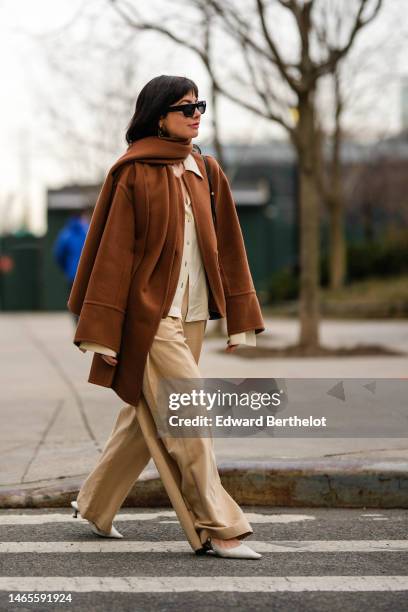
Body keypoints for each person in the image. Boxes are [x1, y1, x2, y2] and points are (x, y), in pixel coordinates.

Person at [67, 75, 265, 559]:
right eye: (185, 107)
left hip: (192, 314)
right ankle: (220, 526)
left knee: (144, 416)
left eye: (201, 105)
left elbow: (228, 248)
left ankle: (93, 504)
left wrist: (239, 317)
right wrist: (103, 328)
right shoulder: (132, 172)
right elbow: (112, 254)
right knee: (190, 414)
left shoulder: (206, 169)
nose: (197, 113)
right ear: (159, 115)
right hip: (150, 318)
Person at [53, 206, 93, 326]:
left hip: (72, 275)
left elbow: (58, 254)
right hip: (88, 275)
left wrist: (66, 268)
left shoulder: (66, 234)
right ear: (83, 216)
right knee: (88, 301)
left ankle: (78, 326)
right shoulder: (89, 231)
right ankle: (86, 327)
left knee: (74, 302)